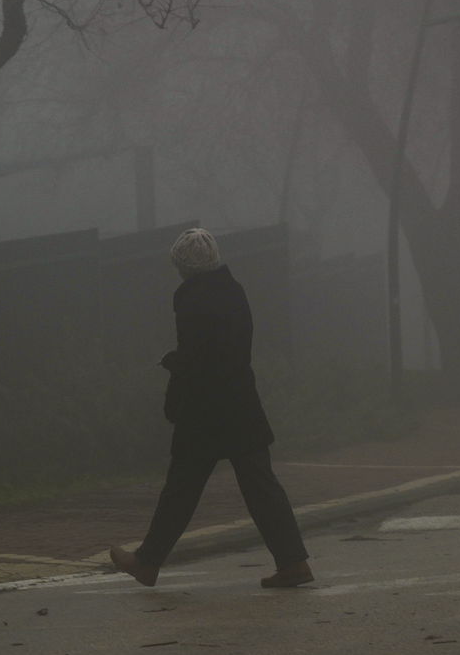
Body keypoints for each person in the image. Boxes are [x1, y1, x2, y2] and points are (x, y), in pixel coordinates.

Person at [109, 227, 314, 589]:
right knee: (262, 487)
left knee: (181, 488)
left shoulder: (192, 299)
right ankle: (293, 562)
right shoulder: (234, 291)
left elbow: (195, 357)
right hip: (240, 404)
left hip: (206, 411)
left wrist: (173, 370)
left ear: (184, 266)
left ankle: (147, 562)